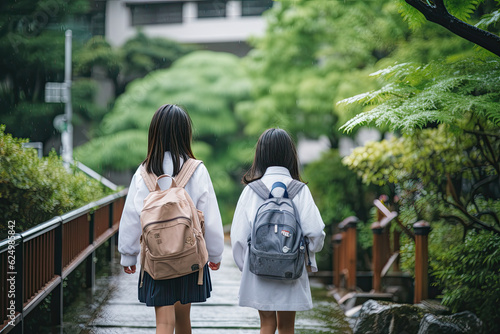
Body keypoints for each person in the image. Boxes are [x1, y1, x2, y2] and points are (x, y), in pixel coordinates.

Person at [118, 104, 225, 334]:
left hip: (156, 259)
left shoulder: (144, 172)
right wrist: (215, 254)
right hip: (189, 257)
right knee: (183, 320)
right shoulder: (196, 169)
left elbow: (132, 216)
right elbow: (211, 216)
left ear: (154, 134)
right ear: (185, 134)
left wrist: (128, 255)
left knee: (164, 323)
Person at [230, 128, 326, 334]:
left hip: (259, 267)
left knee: (266, 325)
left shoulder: (251, 190)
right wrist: (309, 256)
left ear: (260, 156)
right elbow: (316, 232)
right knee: (286, 326)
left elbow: (238, 237)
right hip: (291, 267)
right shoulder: (299, 190)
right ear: (291, 155)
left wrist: (246, 265)